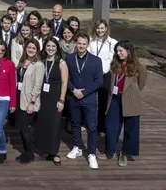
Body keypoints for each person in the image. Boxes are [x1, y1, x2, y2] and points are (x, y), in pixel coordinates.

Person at [105, 40, 147, 167]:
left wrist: (131, 94)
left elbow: (141, 83)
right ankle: (110, 150)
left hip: (130, 100)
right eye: (117, 51)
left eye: (121, 51)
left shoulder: (138, 67)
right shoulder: (115, 64)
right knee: (111, 126)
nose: (118, 54)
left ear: (128, 52)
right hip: (115, 99)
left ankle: (125, 153)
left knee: (130, 129)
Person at [66, 33, 104, 169]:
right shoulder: (69, 58)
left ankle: (92, 153)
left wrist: (84, 92)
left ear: (87, 45)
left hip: (89, 98)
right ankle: (77, 147)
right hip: (73, 96)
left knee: (91, 127)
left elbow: (99, 81)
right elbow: (66, 78)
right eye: (79, 43)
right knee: (75, 124)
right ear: (76, 43)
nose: (81, 46)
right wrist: (73, 90)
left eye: (84, 44)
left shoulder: (96, 60)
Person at [34, 37, 69, 166]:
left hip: (55, 97)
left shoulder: (61, 63)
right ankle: (44, 148)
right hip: (43, 97)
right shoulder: (41, 62)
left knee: (54, 125)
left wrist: (62, 99)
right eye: (48, 46)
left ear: (57, 48)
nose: (50, 49)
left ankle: (54, 152)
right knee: (43, 123)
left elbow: (65, 82)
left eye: (53, 46)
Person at [15, 39, 45, 164]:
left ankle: (30, 152)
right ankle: (25, 151)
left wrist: (32, 103)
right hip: (19, 97)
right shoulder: (22, 62)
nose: (31, 50)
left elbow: (37, 86)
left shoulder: (39, 65)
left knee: (26, 128)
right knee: (21, 128)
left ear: (37, 50)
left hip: (29, 100)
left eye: (33, 48)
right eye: (29, 48)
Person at [89, 19, 117, 136]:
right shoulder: (91, 41)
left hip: (105, 74)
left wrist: (103, 70)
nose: (100, 30)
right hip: (91, 74)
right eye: (98, 28)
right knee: (89, 101)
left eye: (102, 28)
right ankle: (87, 123)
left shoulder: (113, 42)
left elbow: (110, 59)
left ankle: (101, 127)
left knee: (103, 101)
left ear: (106, 29)